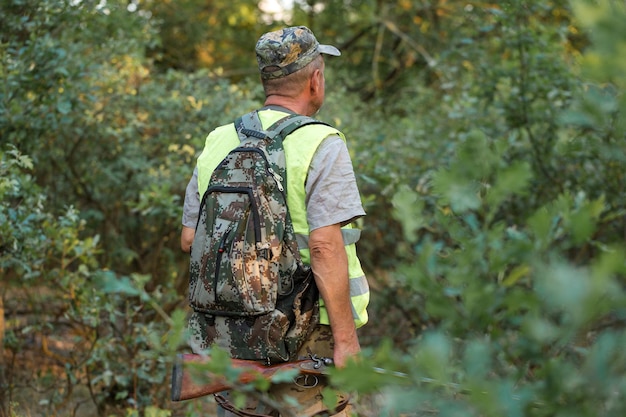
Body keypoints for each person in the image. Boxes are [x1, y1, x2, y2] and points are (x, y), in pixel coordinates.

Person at [180, 26, 370, 417]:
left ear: (267, 79)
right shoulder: (323, 142)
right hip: (305, 329)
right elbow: (324, 246)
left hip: (230, 331)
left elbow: (188, 238)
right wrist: (346, 342)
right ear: (316, 80)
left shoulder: (219, 139)